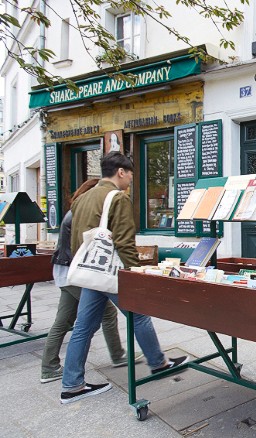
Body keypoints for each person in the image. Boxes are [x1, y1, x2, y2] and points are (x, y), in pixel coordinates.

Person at [60, 152, 188, 404]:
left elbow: (75, 239)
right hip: (112, 273)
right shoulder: (117, 198)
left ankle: (72, 384)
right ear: (120, 172)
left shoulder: (82, 198)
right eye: (130, 173)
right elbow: (125, 243)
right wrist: (135, 274)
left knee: (83, 327)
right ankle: (158, 362)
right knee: (139, 314)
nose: (131, 178)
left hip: (91, 273)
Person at [41, 179, 128, 384]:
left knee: (63, 321)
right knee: (106, 312)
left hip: (65, 271)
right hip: (75, 273)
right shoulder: (81, 213)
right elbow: (88, 248)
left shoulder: (74, 210)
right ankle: (117, 355)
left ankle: (48, 367)